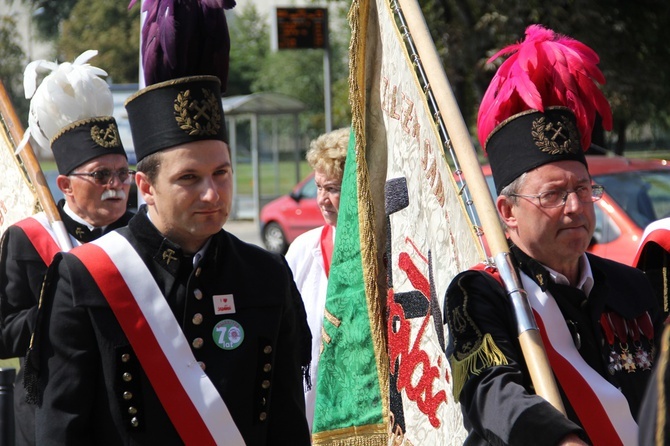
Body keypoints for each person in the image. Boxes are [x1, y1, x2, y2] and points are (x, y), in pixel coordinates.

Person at [29, 2, 312, 443]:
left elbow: (286, 423)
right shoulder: (86, 276)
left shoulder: (266, 273)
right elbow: (62, 426)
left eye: (221, 173)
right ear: (145, 186)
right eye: (188, 178)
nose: (212, 194)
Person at [443, 25, 663, 445]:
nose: (577, 207)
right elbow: (492, 393)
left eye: (583, 190)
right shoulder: (479, 294)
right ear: (507, 211)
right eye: (554, 195)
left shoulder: (632, 287)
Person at [0, 52, 133, 446]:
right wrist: (57, 310)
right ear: (66, 185)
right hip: (49, 415)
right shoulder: (28, 239)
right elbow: (4, 335)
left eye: (123, 173)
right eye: (101, 175)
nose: (116, 185)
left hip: (127, 416)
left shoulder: (142, 233)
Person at [285, 127, 349, 431]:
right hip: (314, 412)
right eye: (319, 187)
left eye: (333, 189)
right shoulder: (303, 250)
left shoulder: (388, 249)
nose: (322, 199)